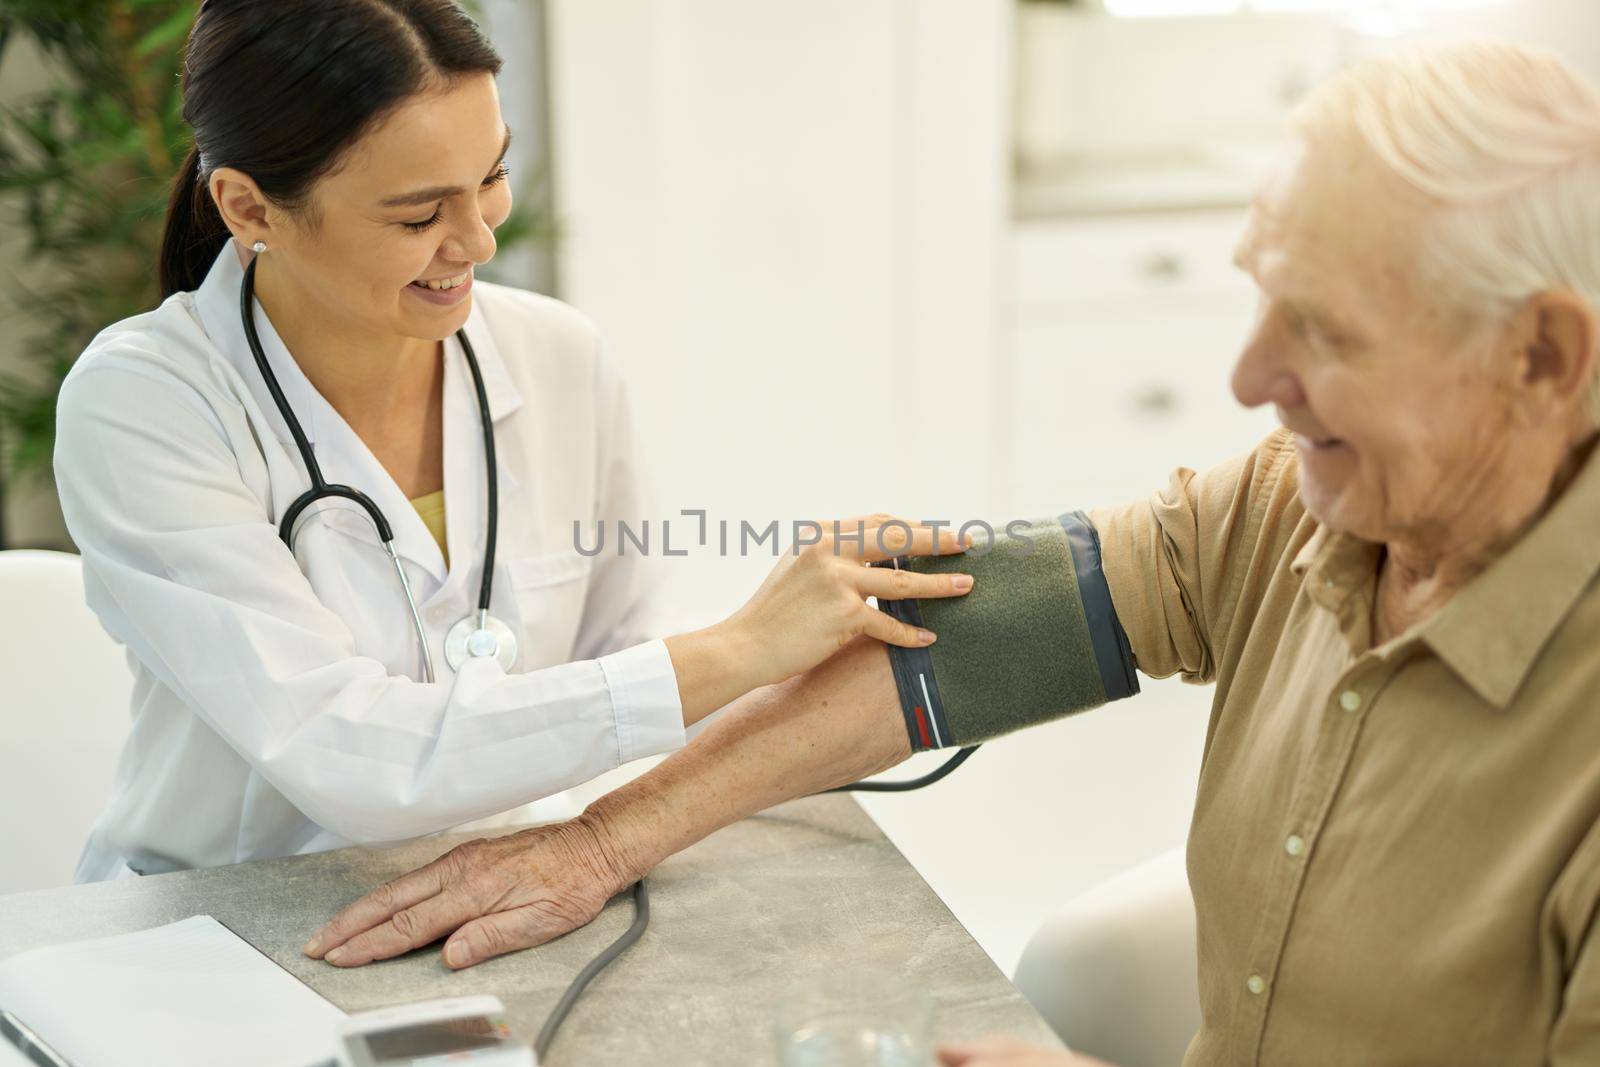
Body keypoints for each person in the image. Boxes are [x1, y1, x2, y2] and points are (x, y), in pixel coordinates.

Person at [305, 41, 1600, 1066]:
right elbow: (950, 642)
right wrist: (594, 843)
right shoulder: (1294, 506)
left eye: (1323, 330)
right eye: (1260, 289)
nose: (1252, 374)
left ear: (1542, 356)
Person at [49, 0, 973, 884]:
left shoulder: (557, 355)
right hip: (219, 929)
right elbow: (350, 754)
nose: (479, 242)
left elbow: (621, 662)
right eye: (418, 216)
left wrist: (819, 653)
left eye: (490, 177)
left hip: (498, 897)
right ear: (250, 209)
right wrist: (741, 647)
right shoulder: (144, 403)